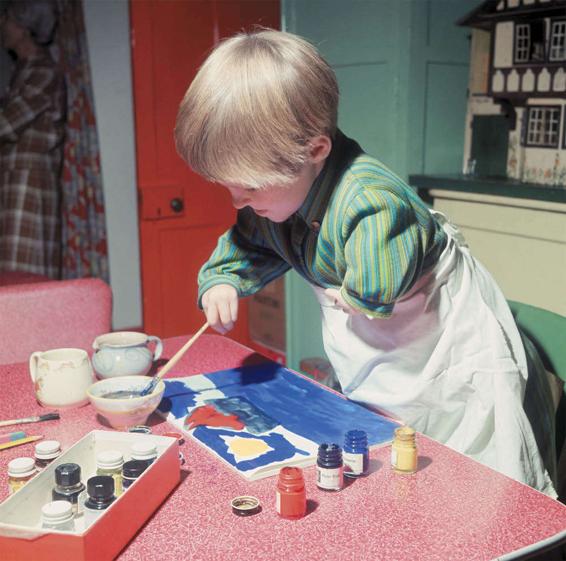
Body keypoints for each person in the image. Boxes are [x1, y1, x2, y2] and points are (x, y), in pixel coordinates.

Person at [174, 29, 556, 496]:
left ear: (315, 151)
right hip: (380, 350)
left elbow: (378, 288)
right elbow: (248, 242)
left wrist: (358, 296)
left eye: (250, 185)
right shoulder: (275, 199)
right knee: (387, 451)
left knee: (468, 464)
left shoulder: (371, 201)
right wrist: (222, 280)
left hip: (440, 344)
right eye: (227, 185)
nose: (237, 200)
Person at [0, 0, 65, 278]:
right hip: (16, 179)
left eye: (7, 19)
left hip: (29, 183)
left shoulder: (43, 71)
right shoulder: (22, 71)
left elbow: (5, 124)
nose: (2, 25)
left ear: (25, 27)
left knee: (26, 276)